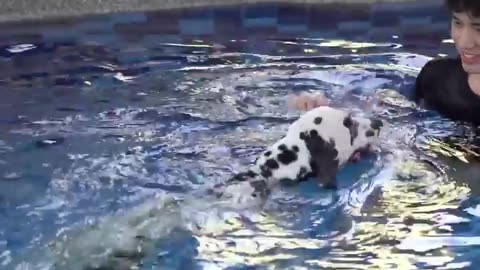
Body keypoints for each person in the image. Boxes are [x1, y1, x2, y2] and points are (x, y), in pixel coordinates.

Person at [289, 0, 480, 127]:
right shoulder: (438, 79)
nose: (464, 42)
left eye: (478, 28)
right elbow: (396, 118)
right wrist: (328, 111)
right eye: (457, 23)